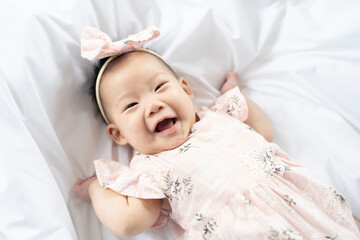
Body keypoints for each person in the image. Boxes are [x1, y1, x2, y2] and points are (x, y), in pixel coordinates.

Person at [75, 26, 360, 239]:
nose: (153, 105)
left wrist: (232, 93)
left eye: (160, 87)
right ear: (118, 135)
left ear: (186, 90)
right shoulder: (148, 169)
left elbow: (263, 130)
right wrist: (97, 189)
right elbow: (128, 222)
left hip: (303, 206)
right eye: (132, 105)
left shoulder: (218, 118)